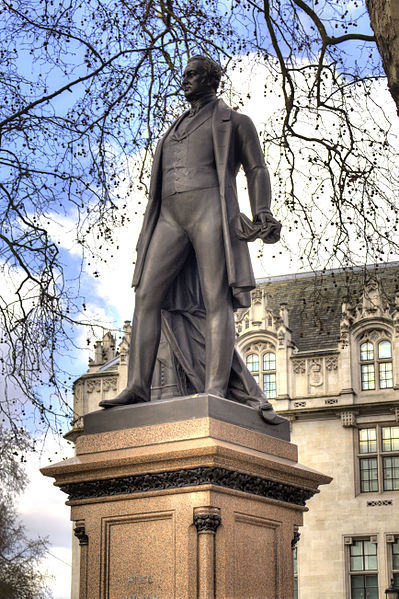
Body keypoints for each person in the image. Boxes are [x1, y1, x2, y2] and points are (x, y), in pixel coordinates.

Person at [100, 55, 285, 425]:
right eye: (184, 75)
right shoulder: (173, 129)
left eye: (193, 75)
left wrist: (261, 209)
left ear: (212, 79)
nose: (185, 80)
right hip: (167, 217)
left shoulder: (235, 122)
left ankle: (215, 387)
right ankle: (137, 385)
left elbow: (256, 168)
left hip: (210, 212)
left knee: (216, 298)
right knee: (147, 295)